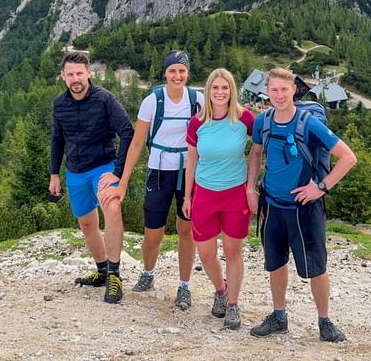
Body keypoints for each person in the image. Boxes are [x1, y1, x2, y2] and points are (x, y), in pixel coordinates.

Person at [246, 68, 357, 342]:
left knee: (316, 267)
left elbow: (348, 157)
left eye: (284, 89)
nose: (279, 95)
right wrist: (250, 188)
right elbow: (256, 152)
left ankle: (324, 321)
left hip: (304, 208)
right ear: (267, 92)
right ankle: (279, 316)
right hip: (272, 205)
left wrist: (320, 187)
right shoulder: (263, 122)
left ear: (294, 89)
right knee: (275, 263)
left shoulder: (309, 123)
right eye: (274, 90)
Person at [100, 50, 202, 310]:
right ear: (165, 73)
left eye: (181, 71)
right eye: (172, 71)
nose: (177, 76)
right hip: (158, 172)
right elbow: (136, 144)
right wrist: (122, 182)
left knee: (186, 231)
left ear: (188, 73)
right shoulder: (153, 101)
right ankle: (148, 272)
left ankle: (184, 286)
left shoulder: (198, 100)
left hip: (188, 173)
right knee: (152, 234)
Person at [49, 50, 133, 304]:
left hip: (103, 166)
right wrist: (54, 174)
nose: (75, 78)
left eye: (79, 73)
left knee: (113, 208)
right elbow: (57, 139)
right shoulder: (59, 104)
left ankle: (116, 275)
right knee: (86, 224)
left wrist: (117, 171)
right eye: (70, 74)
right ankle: (102, 271)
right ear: (63, 76)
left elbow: (127, 132)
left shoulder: (105, 100)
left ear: (89, 73)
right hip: (74, 171)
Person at [183, 68, 255, 329]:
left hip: (235, 194)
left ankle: (233, 305)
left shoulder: (244, 118)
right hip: (204, 193)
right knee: (205, 252)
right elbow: (191, 161)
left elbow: (260, 148)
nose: (220, 92)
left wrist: (253, 187)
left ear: (232, 90)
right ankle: (221, 290)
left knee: (233, 251)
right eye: (215, 88)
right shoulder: (197, 123)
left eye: (225, 88)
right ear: (208, 91)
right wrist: (187, 196)